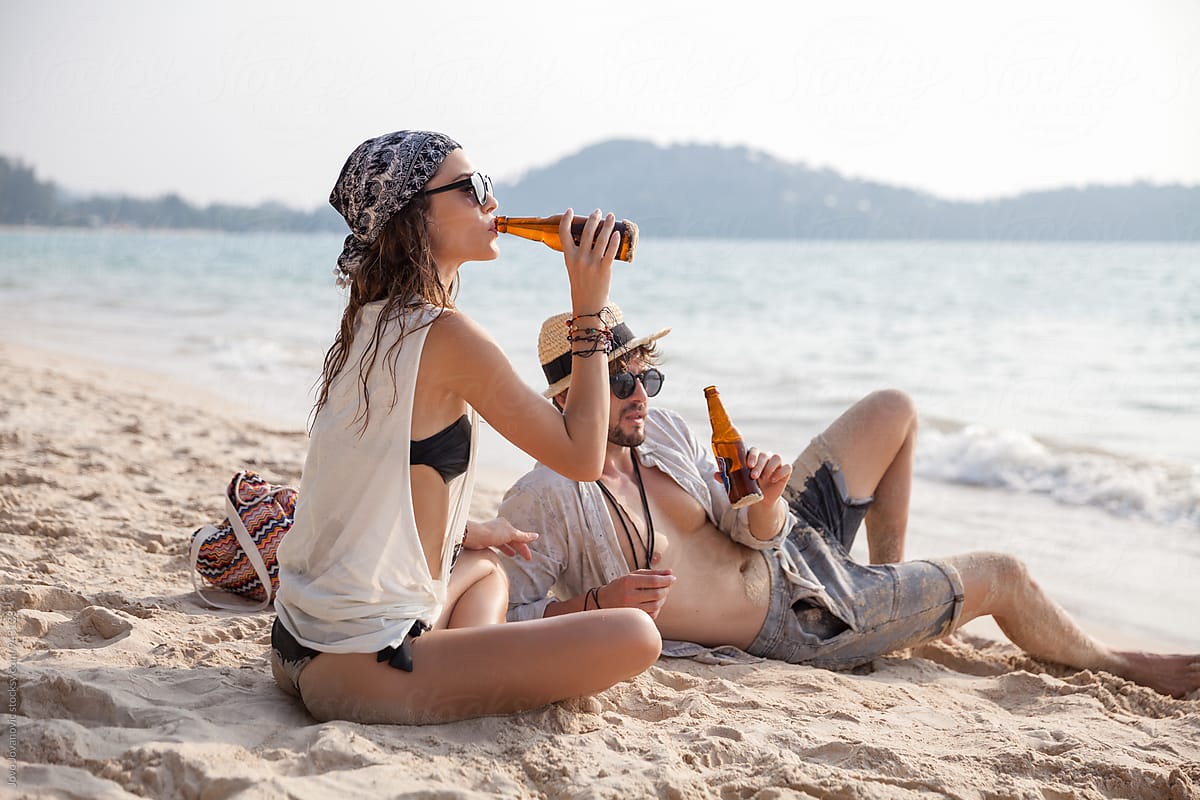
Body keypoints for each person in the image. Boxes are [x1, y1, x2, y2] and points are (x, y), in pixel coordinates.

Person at [498, 304, 1200, 699]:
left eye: (645, 380)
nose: (640, 400)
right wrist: (598, 604)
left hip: (790, 545)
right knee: (1005, 574)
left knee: (894, 408)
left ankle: (898, 589)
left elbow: (751, 532)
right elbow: (510, 617)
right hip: (801, 616)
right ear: (568, 397)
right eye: (620, 386)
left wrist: (766, 501)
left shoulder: (670, 432)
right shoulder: (545, 496)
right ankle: (1123, 666)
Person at [269, 131, 661, 725]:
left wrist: (466, 529)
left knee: (484, 567)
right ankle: (460, 663)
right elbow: (583, 457)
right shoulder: (449, 337)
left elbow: (362, 478)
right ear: (415, 217)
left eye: (489, 188)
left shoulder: (371, 323)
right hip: (361, 665)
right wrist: (589, 311)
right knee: (636, 635)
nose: (492, 204)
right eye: (472, 189)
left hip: (298, 643)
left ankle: (464, 656)